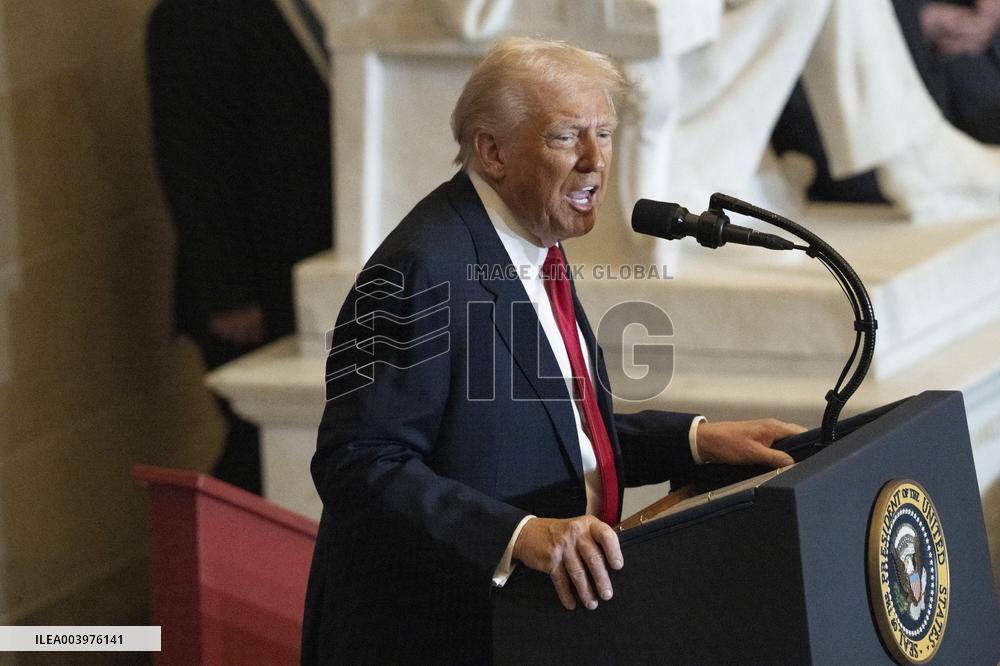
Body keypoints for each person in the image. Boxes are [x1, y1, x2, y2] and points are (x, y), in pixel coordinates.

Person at [302, 37, 804, 664]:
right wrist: (516, 536)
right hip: (439, 636)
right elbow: (357, 464)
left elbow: (552, 425)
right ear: (493, 151)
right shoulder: (421, 268)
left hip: (535, 627)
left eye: (605, 133)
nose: (596, 161)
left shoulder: (527, 239)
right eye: (567, 137)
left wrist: (697, 441)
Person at [146, 0, 332, 493]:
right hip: (252, 288)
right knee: (258, 452)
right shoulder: (191, 15)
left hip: (310, 271)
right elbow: (191, 163)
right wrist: (227, 293)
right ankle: (204, 556)